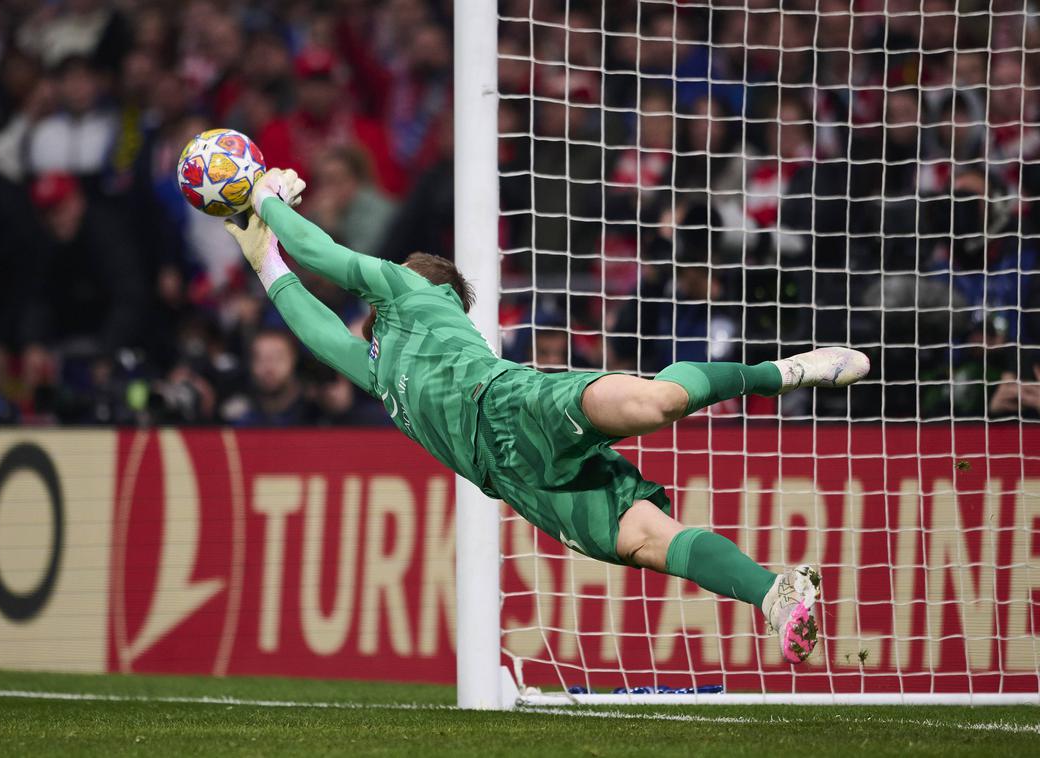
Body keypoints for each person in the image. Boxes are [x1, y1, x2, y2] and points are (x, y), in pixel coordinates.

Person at [241, 168, 869, 665]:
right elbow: (320, 335)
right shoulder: (379, 371)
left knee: (658, 402)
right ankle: (774, 594)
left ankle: (776, 374)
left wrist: (267, 199)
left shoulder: (416, 293)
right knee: (647, 540)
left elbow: (323, 255)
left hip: (513, 404)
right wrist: (265, 262)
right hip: (519, 482)